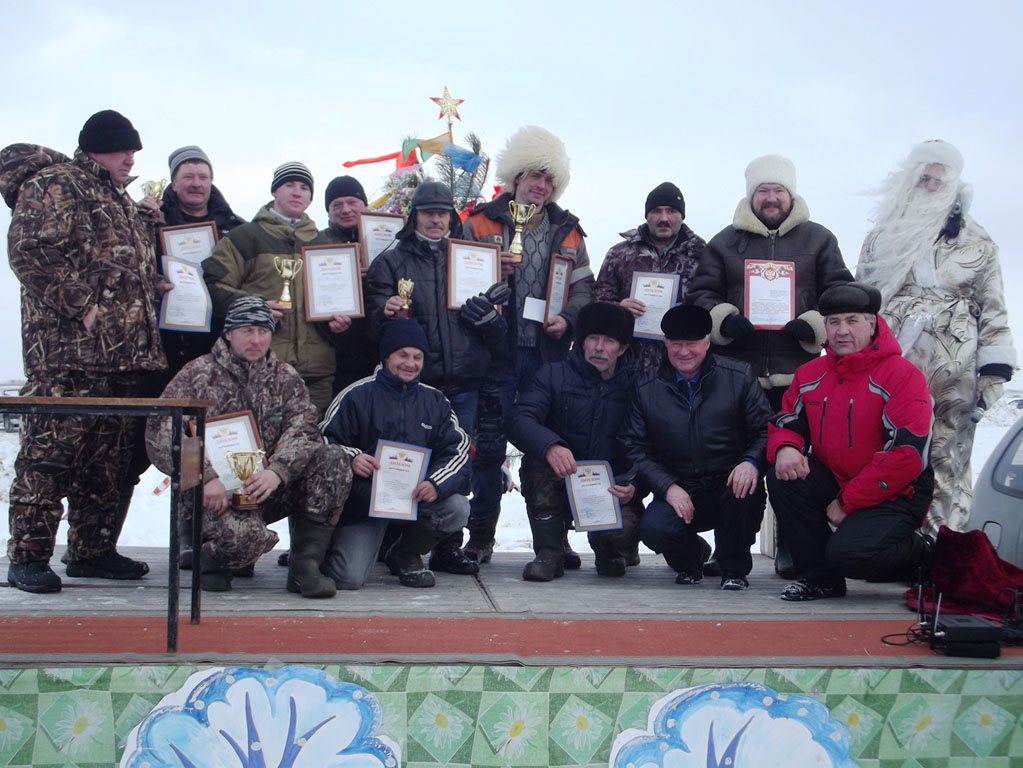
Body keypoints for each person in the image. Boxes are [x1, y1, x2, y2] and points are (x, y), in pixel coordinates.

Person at [1, 110, 166, 593]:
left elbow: (108, 265)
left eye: (134, 151)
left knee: (107, 464)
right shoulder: (56, 184)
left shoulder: (117, 198)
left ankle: (91, 551)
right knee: (49, 459)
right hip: (67, 357)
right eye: (122, 151)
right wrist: (84, 307)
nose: (130, 160)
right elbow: (29, 250)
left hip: (123, 358)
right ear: (95, 149)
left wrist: (147, 282)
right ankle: (28, 556)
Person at [857, 140, 1015, 534]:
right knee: (889, 447)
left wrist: (993, 367)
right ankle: (887, 542)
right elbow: (861, 297)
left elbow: (993, 301)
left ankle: (943, 543)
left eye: (937, 180)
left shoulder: (978, 241)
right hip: (894, 358)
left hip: (955, 362)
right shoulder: (881, 237)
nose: (929, 185)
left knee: (948, 451)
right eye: (923, 178)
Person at [146, 296, 350, 596]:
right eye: (247, 331)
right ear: (228, 333)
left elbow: (305, 429)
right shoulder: (197, 374)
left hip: (264, 487)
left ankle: (304, 566)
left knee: (333, 459)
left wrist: (277, 471)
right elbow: (162, 432)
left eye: (263, 331)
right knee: (245, 543)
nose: (256, 339)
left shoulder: (285, 377)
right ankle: (212, 558)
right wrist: (204, 477)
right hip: (215, 496)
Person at [461, 125, 595, 565]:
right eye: (534, 176)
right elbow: (455, 281)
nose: (540, 186)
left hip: (549, 356)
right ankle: (480, 536)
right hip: (492, 354)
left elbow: (583, 289)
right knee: (489, 447)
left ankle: (555, 541)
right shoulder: (479, 221)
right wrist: (488, 274)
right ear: (516, 176)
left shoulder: (570, 231)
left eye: (548, 180)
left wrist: (570, 319)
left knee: (553, 444)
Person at [366, 180, 507, 575]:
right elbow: (372, 327)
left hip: (464, 381)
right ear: (414, 216)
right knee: (403, 461)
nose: (435, 219)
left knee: (456, 465)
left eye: (442, 213)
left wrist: (491, 318)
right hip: (412, 384)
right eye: (428, 212)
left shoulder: (474, 258)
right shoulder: (390, 262)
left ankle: (447, 546)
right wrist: (384, 312)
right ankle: (398, 541)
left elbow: (498, 330)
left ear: (451, 216)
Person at [767, 282, 935, 600]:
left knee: (851, 556)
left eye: (852, 320)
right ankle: (820, 577)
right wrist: (787, 447)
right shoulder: (810, 373)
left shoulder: (902, 375)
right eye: (834, 322)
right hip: (838, 478)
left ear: (872, 323)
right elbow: (785, 419)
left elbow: (906, 454)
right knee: (783, 477)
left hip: (898, 490)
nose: (842, 330)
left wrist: (848, 503)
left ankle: (922, 555)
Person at [620, 304, 771, 590]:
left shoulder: (739, 377)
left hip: (729, 481)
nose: (684, 352)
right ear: (666, 344)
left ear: (706, 342)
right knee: (654, 529)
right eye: (676, 344)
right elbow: (634, 446)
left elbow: (764, 429)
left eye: (692, 344)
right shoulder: (646, 387)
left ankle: (734, 568)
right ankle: (690, 562)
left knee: (745, 495)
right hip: (681, 485)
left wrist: (750, 461)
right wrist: (666, 487)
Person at [687, 154, 852, 411]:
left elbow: (840, 293)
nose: (771, 198)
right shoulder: (724, 241)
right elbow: (701, 292)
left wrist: (815, 325)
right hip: (736, 370)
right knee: (737, 447)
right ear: (752, 196)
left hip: (799, 372)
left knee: (790, 444)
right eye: (763, 191)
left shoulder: (819, 239)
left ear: (791, 195)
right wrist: (723, 320)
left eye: (779, 190)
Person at [320, 320, 471, 589]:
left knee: (457, 508)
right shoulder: (356, 395)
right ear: (387, 355)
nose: (410, 363)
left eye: (417, 357)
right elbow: (323, 439)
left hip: (414, 498)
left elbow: (457, 450)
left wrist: (436, 483)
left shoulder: (435, 401)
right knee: (348, 579)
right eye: (402, 355)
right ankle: (330, 547)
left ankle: (405, 553)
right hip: (365, 502)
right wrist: (353, 457)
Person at [506, 302, 641, 580]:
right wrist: (550, 445)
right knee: (537, 464)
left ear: (623, 348)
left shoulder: (638, 386)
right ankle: (550, 552)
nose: (599, 347)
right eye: (592, 338)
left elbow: (649, 446)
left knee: (626, 529)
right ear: (581, 342)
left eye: (610, 340)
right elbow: (519, 419)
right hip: (560, 478)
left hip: (609, 485)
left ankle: (609, 550)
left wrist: (635, 485)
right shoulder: (553, 375)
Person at [202, 161, 337, 414]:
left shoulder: (325, 243)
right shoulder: (243, 237)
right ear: (275, 191)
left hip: (317, 370)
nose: (297, 192)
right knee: (258, 443)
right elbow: (214, 288)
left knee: (310, 440)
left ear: (310, 198)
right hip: (260, 366)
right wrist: (257, 308)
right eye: (289, 185)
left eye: (305, 188)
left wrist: (340, 324)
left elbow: (339, 299)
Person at [594, 181, 706, 375]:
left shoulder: (702, 255)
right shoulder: (619, 254)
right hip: (625, 368)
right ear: (647, 216)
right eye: (656, 211)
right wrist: (618, 309)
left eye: (671, 211)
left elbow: (709, 304)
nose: (663, 218)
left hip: (680, 369)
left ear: (682, 216)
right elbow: (596, 304)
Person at [319, 175, 377, 394]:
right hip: (338, 351)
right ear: (328, 211)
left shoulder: (388, 238)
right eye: (337, 204)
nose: (345, 209)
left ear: (365, 205)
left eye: (352, 202)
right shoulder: (317, 245)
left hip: (382, 346)